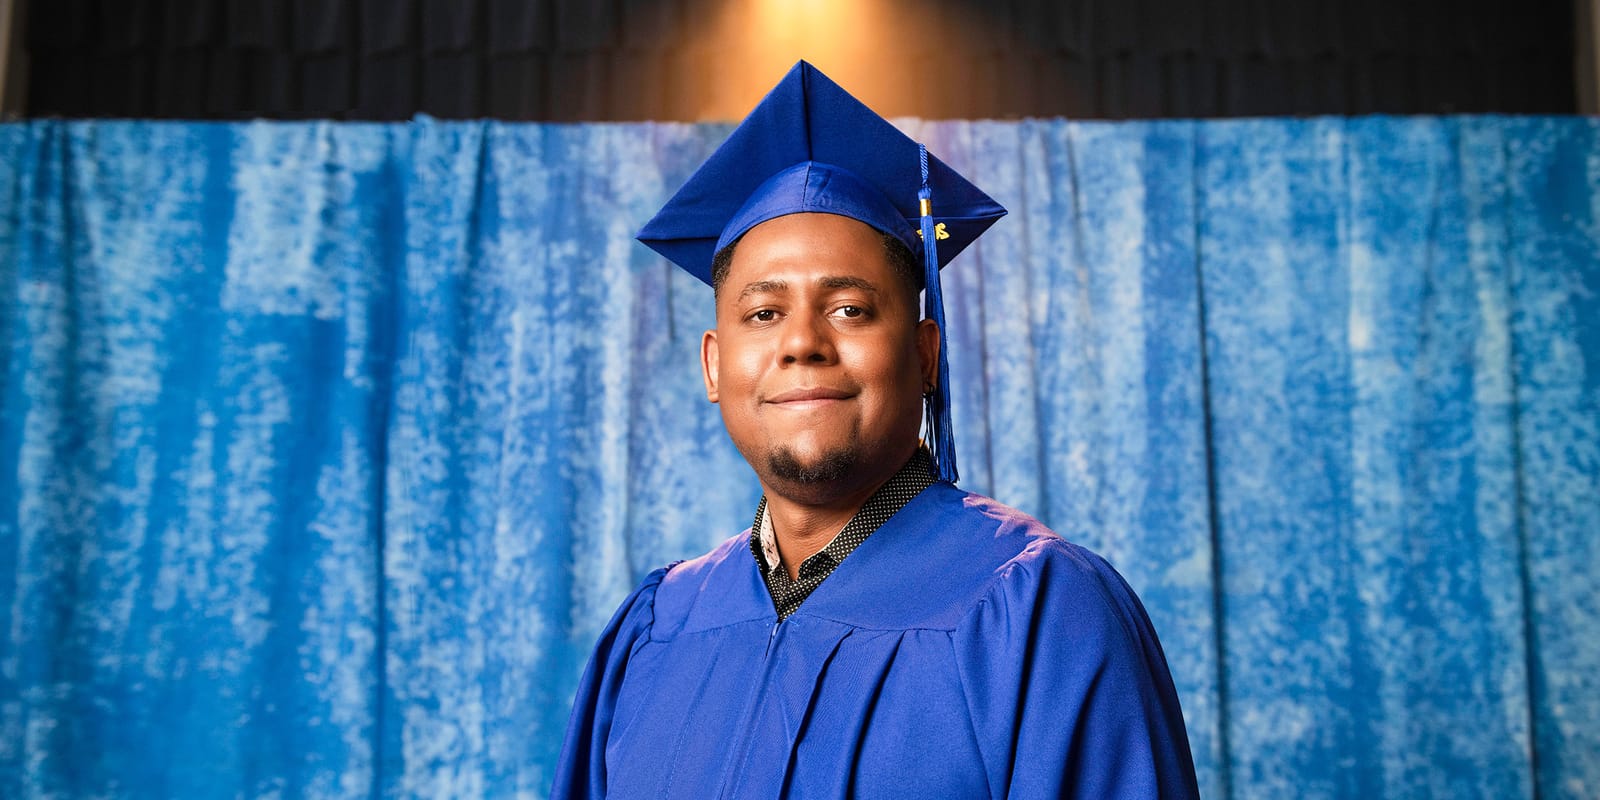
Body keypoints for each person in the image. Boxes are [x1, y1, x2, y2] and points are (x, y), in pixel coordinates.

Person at [551, 61, 1199, 799]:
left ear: (926, 355)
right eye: (764, 314)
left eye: (849, 308)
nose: (802, 343)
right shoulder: (654, 630)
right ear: (713, 364)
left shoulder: (1041, 613)